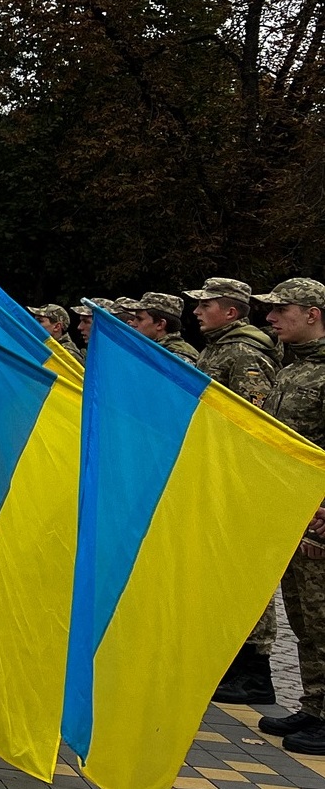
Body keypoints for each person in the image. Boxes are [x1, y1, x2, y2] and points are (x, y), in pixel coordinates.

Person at [187, 277, 283, 705]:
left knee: (245, 571)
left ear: (230, 311)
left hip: (239, 476)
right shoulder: (218, 347)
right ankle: (234, 663)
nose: (196, 310)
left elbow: (254, 418)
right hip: (216, 471)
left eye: (205, 304)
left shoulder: (244, 351)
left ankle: (255, 672)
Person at [252, 279, 325, 754]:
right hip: (293, 511)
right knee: (303, 616)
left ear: (314, 313)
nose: (271, 317)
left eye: (282, 309)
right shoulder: (291, 368)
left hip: (320, 517)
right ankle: (315, 704)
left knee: (324, 618)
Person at [120, 292, 199, 364]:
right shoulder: (152, 348)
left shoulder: (178, 357)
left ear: (160, 325)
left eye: (140, 319)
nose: (132, 323)